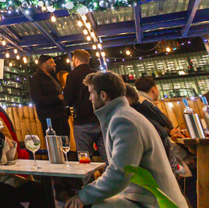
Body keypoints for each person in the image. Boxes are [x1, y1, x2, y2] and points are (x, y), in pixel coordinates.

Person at [64, 72, 188, 208]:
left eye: (91, 93)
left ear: (103, 95)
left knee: (95, 205)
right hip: (146, 197)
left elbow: (120, 173)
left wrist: (83, 196)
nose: (90, 98)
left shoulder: (123, 121)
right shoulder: (124, 115)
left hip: (158, 202)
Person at [64, 49, 106, 161]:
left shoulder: (72, 75)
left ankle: (90, 179)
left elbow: (68, 99)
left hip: (82, 123)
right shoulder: (98, 74)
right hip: (100, 120)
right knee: (109, 157)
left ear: (76, 60)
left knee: (85, 161)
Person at [29, 55, 70, 137]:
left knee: (65, 143)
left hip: (62, 117)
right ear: (43, 64)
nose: (54, 64)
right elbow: (37, 99)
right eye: (51, 62)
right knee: (55, 145)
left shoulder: (52, 77)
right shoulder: (36, 78)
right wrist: (58, 98)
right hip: (50, 119)